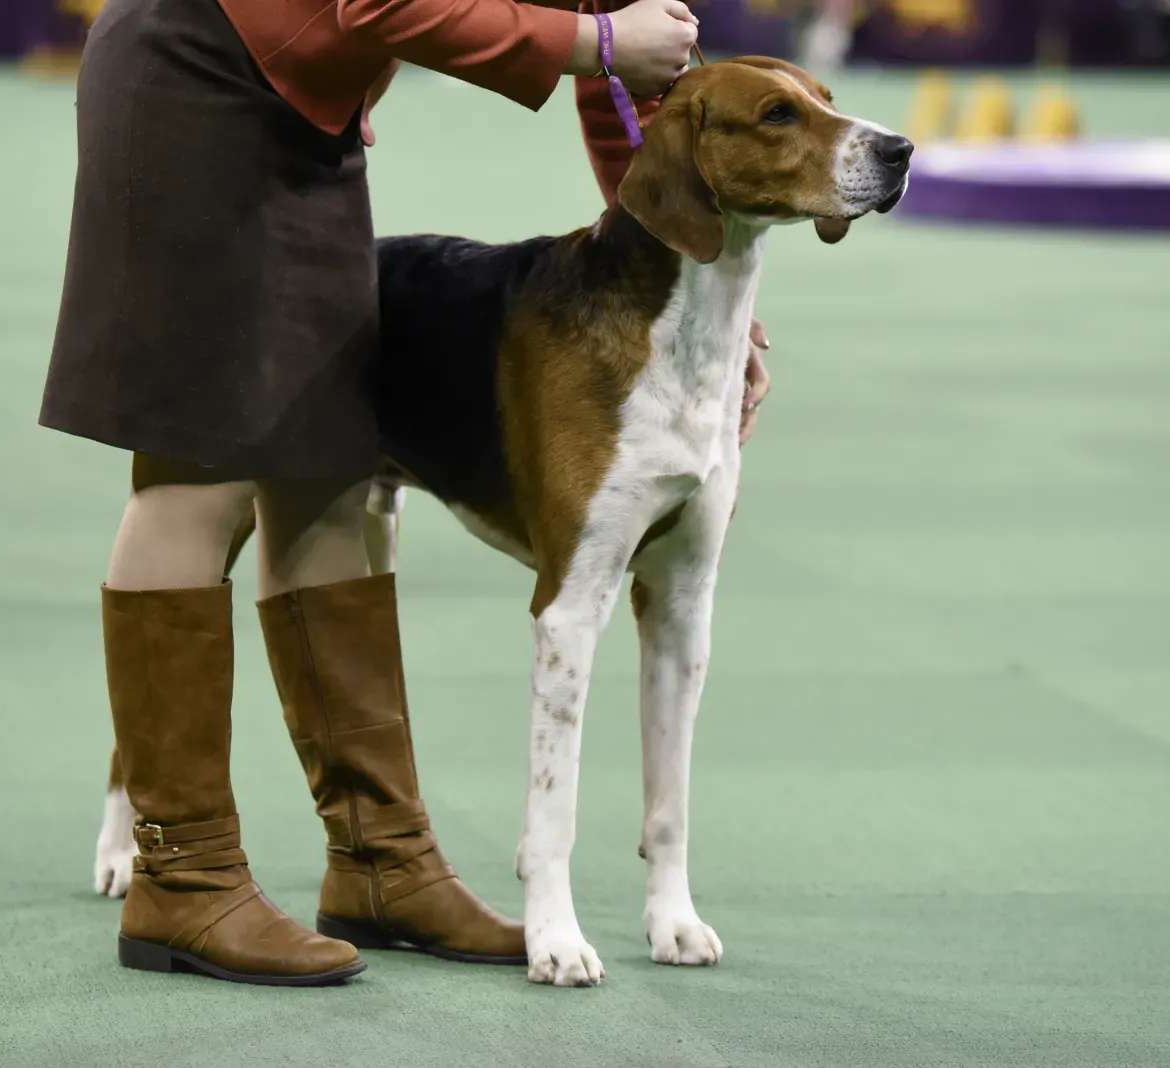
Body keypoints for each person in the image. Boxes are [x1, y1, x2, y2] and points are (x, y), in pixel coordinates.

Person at [39, 0, 770, 987]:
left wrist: (675, 277)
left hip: (308, 103)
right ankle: (184, 873)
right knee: (200, 473)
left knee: (326, 470)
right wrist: (596, 44)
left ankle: (380, 864)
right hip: (202, 73)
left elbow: (636, 88)